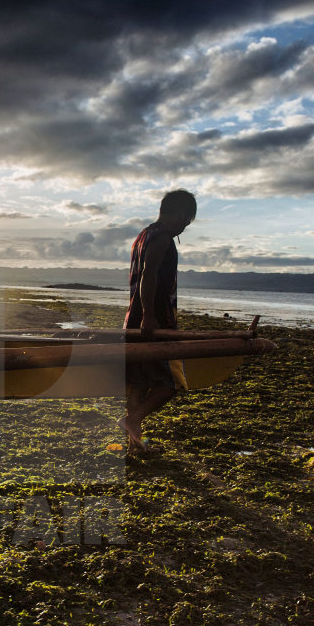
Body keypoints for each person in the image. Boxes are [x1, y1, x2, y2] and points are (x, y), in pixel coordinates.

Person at [119, 189, 197, 452]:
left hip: (134, 318)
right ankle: (133, 420)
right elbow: (148, 276)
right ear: (179, 214)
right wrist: (151, 317)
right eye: (187, 220)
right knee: (173, 382)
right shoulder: (162, 238)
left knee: (140, 382)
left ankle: (136, 444)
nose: (185, 227)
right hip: (154, 321)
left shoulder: (143, 235)